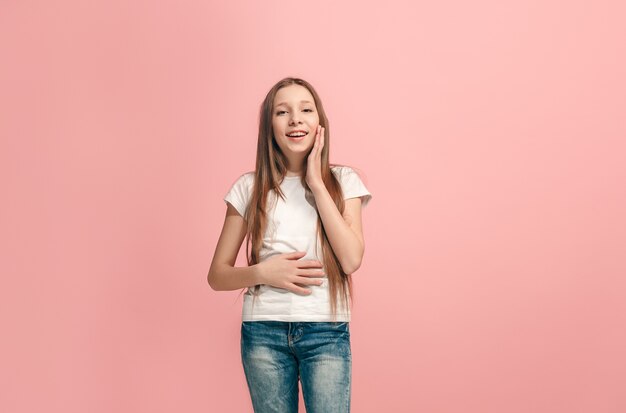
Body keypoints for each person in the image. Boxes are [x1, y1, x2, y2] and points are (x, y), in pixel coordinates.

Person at [207, 77, 372, 413]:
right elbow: (217, 275)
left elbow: (351, 259)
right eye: (283, 112)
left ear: (320, 123)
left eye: (306, 109)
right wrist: (264, 272)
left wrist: (315, 181)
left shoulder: (343, 182)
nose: (295, 118)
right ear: (270, 126)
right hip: (263, 333)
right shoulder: (249, 187)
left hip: (326, 330)